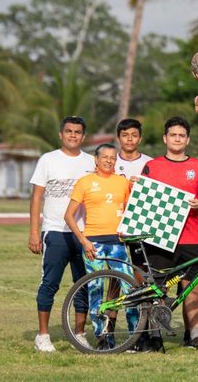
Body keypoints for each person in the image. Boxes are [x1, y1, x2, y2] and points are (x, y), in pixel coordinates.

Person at [141, 116, 198, 351]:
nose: (177, 139)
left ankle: (196, 336)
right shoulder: (153, 166)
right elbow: (142, 202)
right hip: (160, 236)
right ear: (165, 138)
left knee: (193, 286)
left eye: (181, 135)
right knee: (159, 287)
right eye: (173, 135)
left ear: (188, 139)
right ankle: (156, 335)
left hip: (192, 236)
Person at [29, 115, 95, 353]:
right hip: (55, 231)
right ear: (61, 134)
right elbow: (37, 196)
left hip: (83, 234)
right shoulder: (48, 160)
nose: (73, 135)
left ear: (83, 136)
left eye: (78, 132)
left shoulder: (91, 162)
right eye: (69, 131)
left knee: (83, 284)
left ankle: (79, 334)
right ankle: (43, 335)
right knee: (49, 283)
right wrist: (35, 231)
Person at [63, 143, 137, 350]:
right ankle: (103, 338)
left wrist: (136, 186)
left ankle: (134, 337)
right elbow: (68, 216)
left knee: (128, 290)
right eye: (104, 157)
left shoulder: (122, 182)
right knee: (96, 290)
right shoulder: (85, 182)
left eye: (113, 157)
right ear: (96, 159)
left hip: (117, 244)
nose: (109, 160)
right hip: (93, 243)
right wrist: (84, 241)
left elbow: (132, 210)